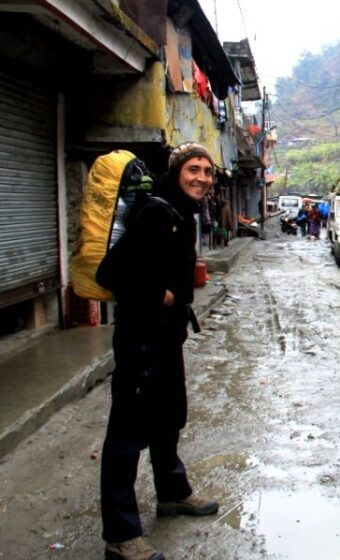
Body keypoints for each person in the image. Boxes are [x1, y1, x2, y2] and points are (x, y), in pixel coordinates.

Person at [96, 142, 220, 560]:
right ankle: (120, 534)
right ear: (176, 171)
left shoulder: (182, 212)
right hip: (141, 341)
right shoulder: (155, 212)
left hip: (166, 339)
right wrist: (161, 296)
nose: (202, 177)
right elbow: (110, 272)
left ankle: (172, 493)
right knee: (127, 435)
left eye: (207, 171)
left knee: (168, 419)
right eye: (193, 169)